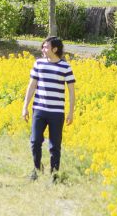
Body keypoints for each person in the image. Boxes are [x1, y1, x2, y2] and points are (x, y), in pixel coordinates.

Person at [22, 36, 76, 182]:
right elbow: (32, 86)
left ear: (55, 49)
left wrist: (71, 112)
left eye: (46, 47)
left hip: (57, 112)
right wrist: (25, 106)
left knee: (55, 145)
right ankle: (37, 169)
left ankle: (54, 174)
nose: (43, 49)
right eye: (43, 46)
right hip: (39, 109)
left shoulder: (66, 67)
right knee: (35, 141)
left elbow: (71, 91)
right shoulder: (38, 64)